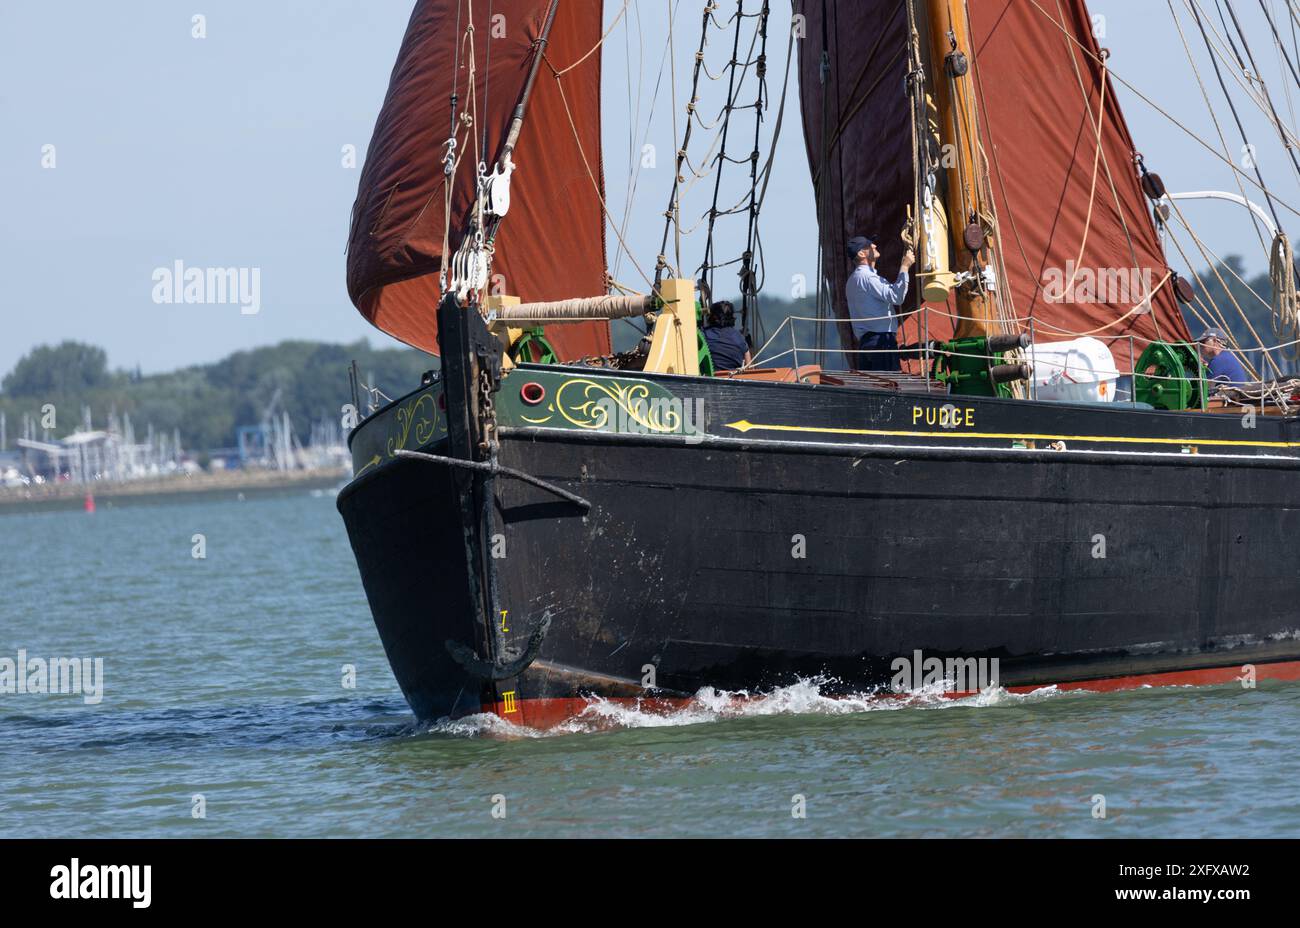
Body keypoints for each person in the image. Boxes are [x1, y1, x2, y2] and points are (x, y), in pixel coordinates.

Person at [845, 235, 914, 372]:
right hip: (881, 341)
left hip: (866, 344)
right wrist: (905, 266)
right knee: (889, 386)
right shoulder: (868, 278)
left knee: (874, 387)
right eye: (869, 245)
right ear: (861, 253)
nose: (874, 246)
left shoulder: (852, 280)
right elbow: (896, 297)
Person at [703, 300, 751, 372]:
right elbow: (749, 367)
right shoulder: (739, 337)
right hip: (733, 378)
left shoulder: (704, 334)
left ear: (714, 317)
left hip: (710, 379)